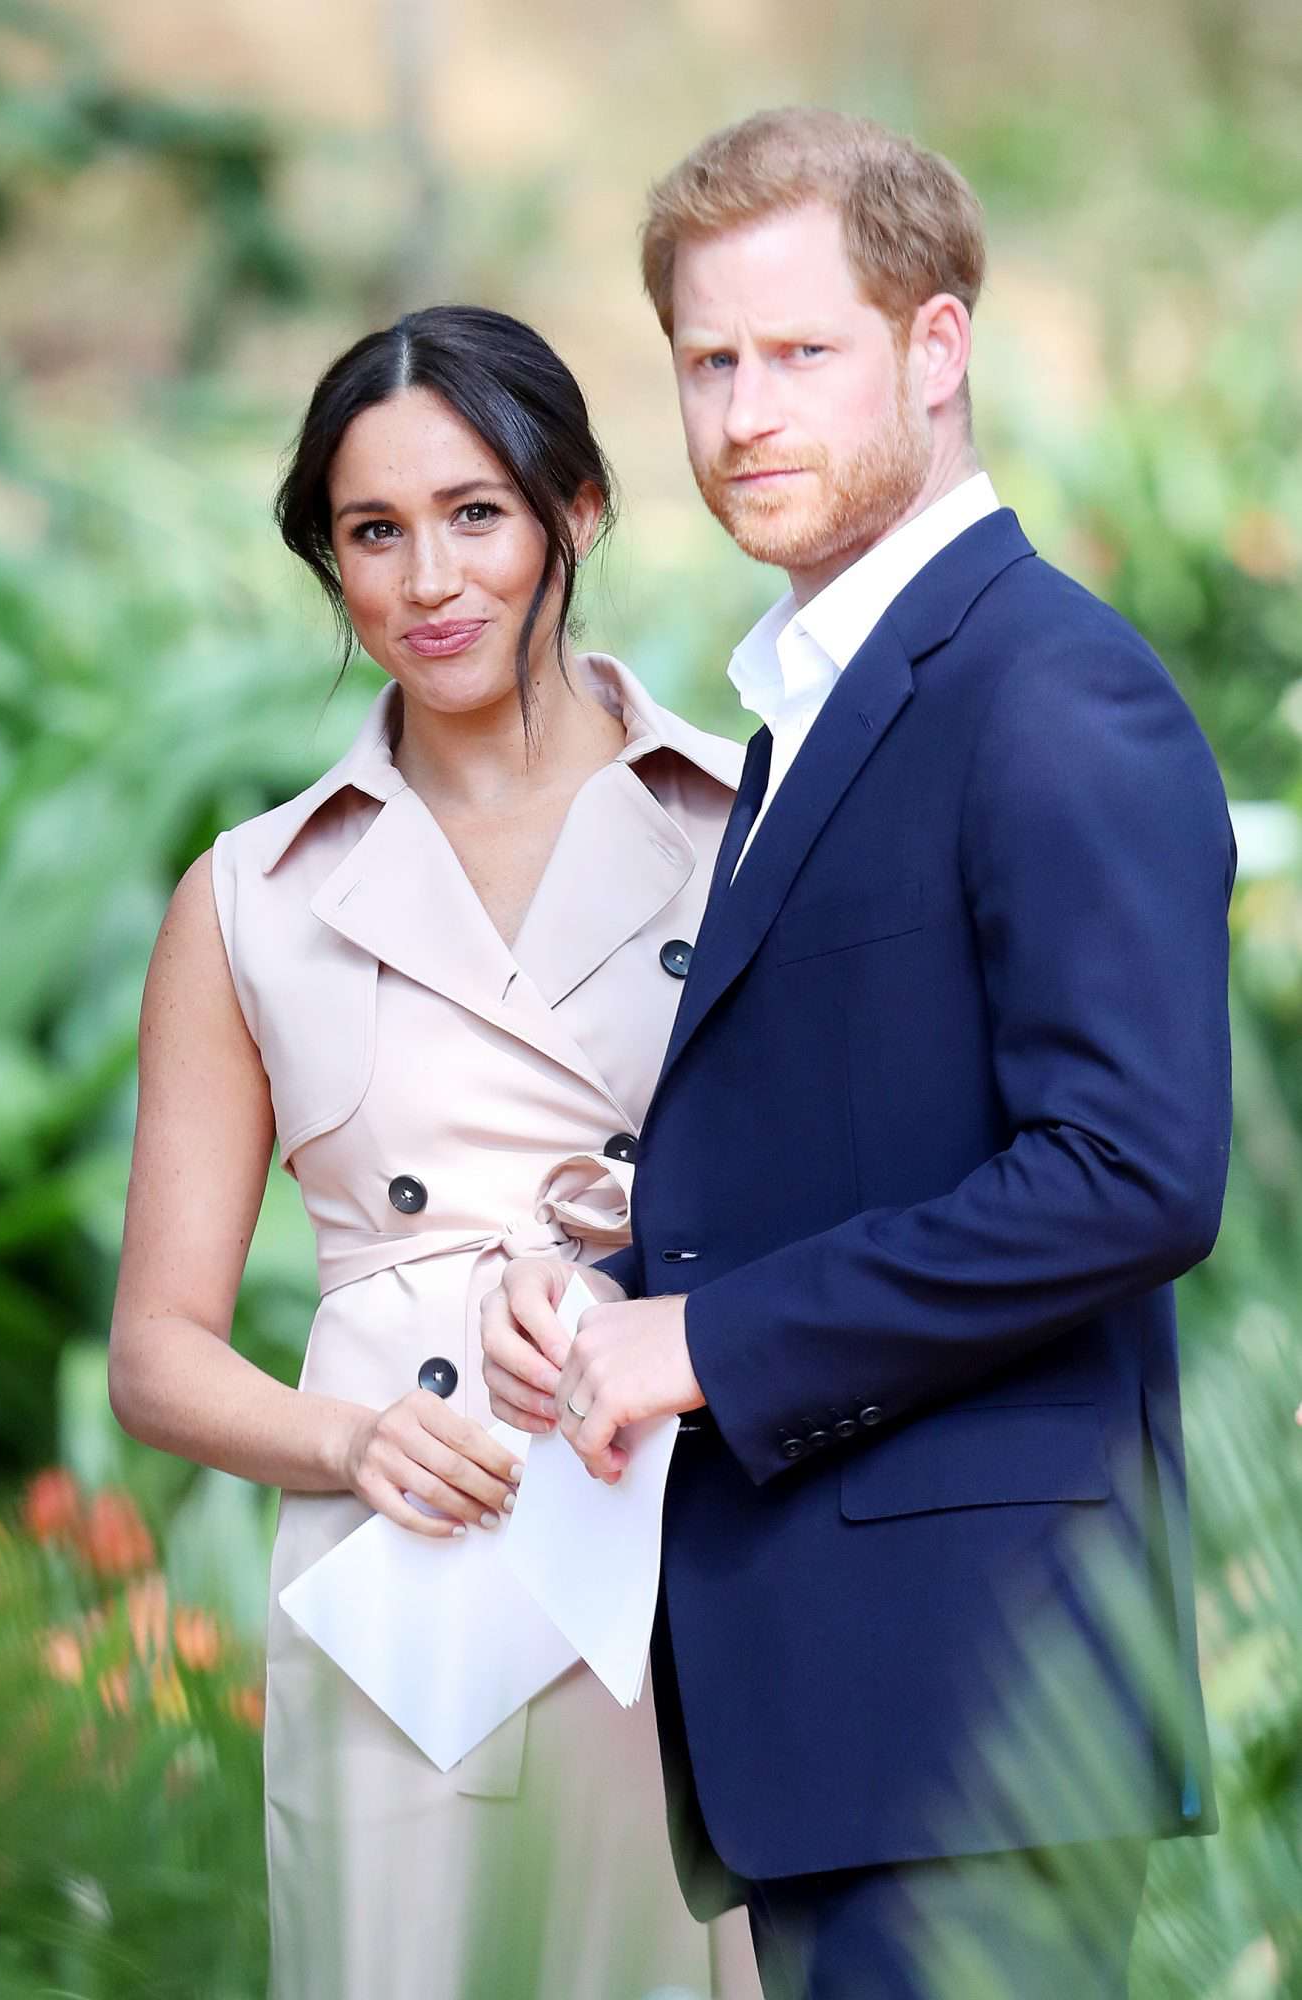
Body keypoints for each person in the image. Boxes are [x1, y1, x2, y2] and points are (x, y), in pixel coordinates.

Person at [483, 109, 1235, 1999]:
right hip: (845, 1716)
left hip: (974, 1718)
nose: (742, 412)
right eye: (706, 362)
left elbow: (1131, 1172)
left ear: (935, 350)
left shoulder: (1050, 693)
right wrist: (603, 1293)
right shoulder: (805, 712)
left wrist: (705, 1345)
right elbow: (851, 1138)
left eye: (799, 353)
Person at [109, 304, 761, 2000]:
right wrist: (353, 1441)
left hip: (683, 1536)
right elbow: (157, 1356)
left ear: (579, 512)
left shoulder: (743, 829)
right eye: (370, 532)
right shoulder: (252, 894)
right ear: (328, 562)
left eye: (475, 513)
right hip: (407, 1586)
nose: (427, 579)